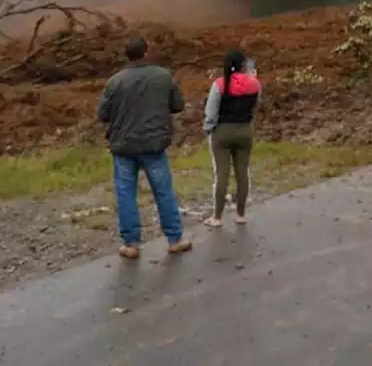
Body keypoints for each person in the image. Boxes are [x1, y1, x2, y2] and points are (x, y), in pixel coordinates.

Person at [97, 36, 193, 259]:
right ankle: (175, 239)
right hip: (154, 145)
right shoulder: (163, 76)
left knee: (125, 195)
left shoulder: (114, 81)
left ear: (127, 55)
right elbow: (177, 106)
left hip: (123, 146)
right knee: (163, 192)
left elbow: (102, 114)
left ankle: (131, 244)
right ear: (146, 52)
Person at [202, 50, 262, 228]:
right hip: (245, 130)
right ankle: (241, 214)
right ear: (244, 65)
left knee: (221, 175)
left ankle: (217, 217)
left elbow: (210, 112)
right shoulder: (254, 84)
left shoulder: (219, 85)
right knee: (242, 172)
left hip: (222, 132)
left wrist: (208, 130)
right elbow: (257, 104)